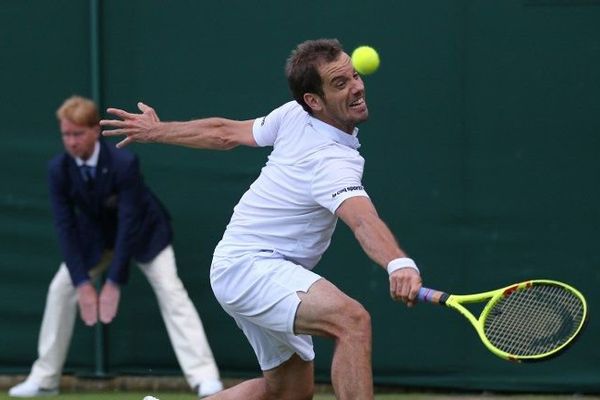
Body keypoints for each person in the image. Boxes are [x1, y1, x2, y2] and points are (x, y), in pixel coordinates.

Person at [101, 38, 423, 400]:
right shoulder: (330, 159)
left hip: (244, 266)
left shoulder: (293, 115)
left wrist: (158, 131)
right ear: (313, 101)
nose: (357, 87)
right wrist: (398, 263)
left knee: (287, 392)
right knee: (353, 322)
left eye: (354, 75)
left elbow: (224, 133)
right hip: (250, 267)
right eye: (340, 83)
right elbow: (362, 220)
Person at [9, 95, 223, 398]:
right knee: (61, 288)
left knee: (172, 292)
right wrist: (84, 283)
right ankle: (45, 379)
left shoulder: (124, 163)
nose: (70, 142)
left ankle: (204, 378)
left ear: (95, 131)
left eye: (77, 134)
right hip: (95, 240)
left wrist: (113, 283)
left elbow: (129, 223)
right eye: (65, 134)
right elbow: (65, 228)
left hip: (145, 234)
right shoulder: (58, 169)